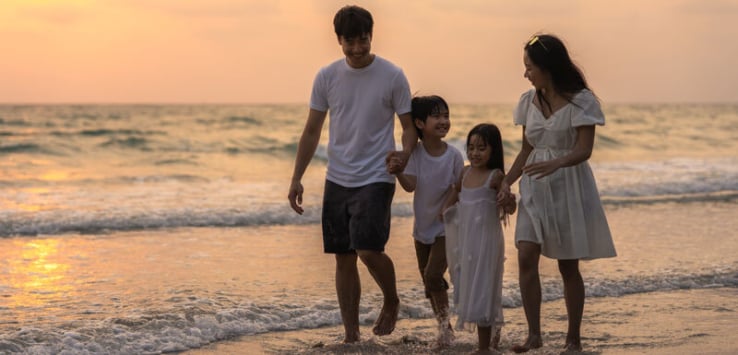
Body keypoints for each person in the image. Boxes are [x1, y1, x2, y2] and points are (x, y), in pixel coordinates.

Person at [287, 5, 417, 343]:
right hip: (337, 177)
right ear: (338, 40)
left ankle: (391, 298)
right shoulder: (326, 77)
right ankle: (351, 336)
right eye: (350, 42)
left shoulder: (392, 75)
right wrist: (296, 177)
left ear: (371, 36)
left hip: (376, 175)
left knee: (368, 249)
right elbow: (312, 129)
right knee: (343, 258)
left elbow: (408, 127)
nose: (357, 49)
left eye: (363, 41)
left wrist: (403, 156)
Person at [497, 34, 617, 353]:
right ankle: (534, 335)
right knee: (525, 255)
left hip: (568, 186)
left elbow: (584, 150)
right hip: (534, 186)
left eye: (529, 67)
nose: (526, 73)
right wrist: (506, 182)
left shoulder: (581, 100)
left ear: (548, 67)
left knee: (567, 266)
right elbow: (526, 149)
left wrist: (556, 163)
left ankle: (573, 337)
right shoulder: (527, 101)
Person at [390, 95, 464, 348]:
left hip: (447, 226)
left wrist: (448, 205)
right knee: (428, 281)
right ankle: (444, 327)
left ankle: (446, 329)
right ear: (420, 123)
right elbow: (411, 186)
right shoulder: (416, 155)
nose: (444, 121)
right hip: (422, 228)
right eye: (437, 116)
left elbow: (459, 185)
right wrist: (398, 171)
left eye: (446, 115)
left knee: (433, 275)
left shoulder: (453, 155)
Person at [442, 123, 514, 354]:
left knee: (484, 288)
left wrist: (507, 199)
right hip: (466, 242)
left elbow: (510, 207)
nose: (475, 153)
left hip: (487, 242)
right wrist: (443, 215)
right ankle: (491, 338)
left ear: (494, 151)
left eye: (481, 148)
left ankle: (484, 347)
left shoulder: (495, 176)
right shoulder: (465, 173)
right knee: (469, 284)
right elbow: (452, 200)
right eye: (471, 147)